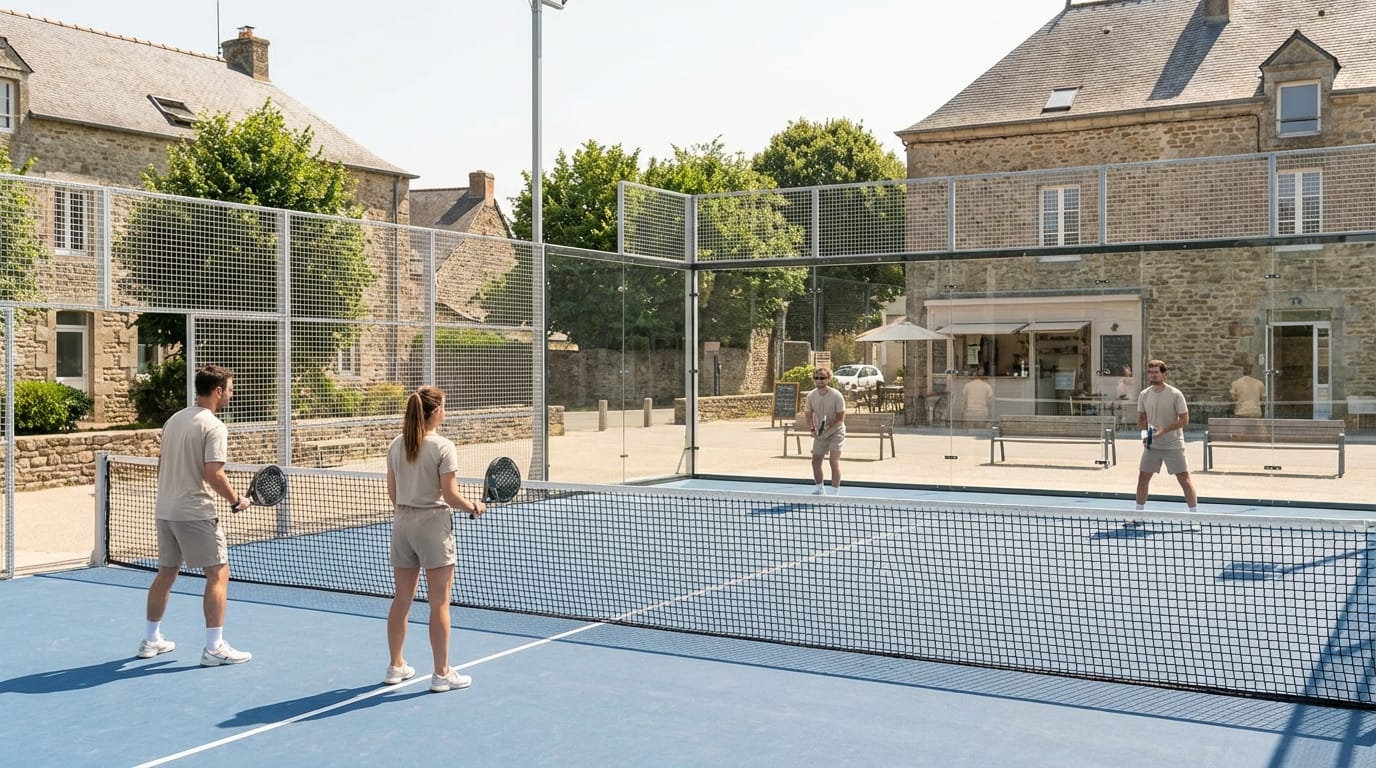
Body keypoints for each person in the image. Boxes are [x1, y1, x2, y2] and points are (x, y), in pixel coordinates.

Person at [138, 364, 253, 666]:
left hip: (165, 510)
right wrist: (236, 499)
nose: (231, 393)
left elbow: (162, 465)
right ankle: (214, 648)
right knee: (218, 574)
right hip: (194, 511)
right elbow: (213, 473)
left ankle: (151, 640)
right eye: (229, 389)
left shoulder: (174, 420)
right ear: (217, 391)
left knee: (166, 573)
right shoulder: (214, 426)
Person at [384, 386, 487, 693]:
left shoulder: (395, 445)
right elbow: (451, 495)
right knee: (439, 602)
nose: (446, 411)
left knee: (402, 599)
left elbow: (393, 494)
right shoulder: (443, 447)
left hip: (401, 524)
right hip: (431, 526)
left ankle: (395, 666)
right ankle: (441, 673)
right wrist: (473, 506)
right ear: (435, 412)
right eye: (444, 406)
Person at [1130, 359, 1200, 530]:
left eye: (1156, 372)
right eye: (1151, 372)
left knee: (1184, 478)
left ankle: (1194, 518)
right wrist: (1145, 433)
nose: (1153, 375)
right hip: (1152, 446)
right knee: (1142, 479)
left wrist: (1164, 430)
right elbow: (1141, 419)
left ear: (1163, 374)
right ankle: (1138, 517)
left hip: (1173, 444)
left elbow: (1184, 419)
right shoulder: (1144, 394)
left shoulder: (1175, 394)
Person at [805, 367, 846, 495]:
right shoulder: (811, 395)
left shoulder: (836, 395)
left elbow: (840, 417)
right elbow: (808, 413)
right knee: (815, 461)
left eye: (822, 378)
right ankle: (819, 488)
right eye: (817, 378)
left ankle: (835, 492)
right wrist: (812, 428)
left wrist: (828, 427)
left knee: (833, 460)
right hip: (820, 434)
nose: (820, 380)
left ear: (828, 379)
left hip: (836, 431)